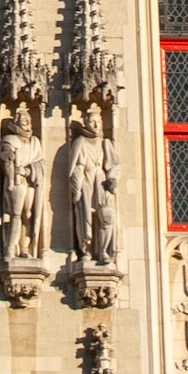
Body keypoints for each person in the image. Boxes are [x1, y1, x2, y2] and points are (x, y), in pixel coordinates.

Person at [69, 104, 119, 264]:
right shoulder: (80, 142)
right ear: (86, 123)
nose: (96, 125)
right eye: (92, 122)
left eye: (99, 121)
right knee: (85, 219)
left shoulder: (105, 143)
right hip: (87, 182)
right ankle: (86, 250)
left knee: (107, 216)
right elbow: (77, 166)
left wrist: (112, 179)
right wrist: (77, 187)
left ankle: (103, 251)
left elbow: (114, 165)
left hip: (102, 182)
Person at [0, 103, 46, 261]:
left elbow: (41, 163)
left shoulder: (35, 142)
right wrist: (7, 156)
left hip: (29, 180)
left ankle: (25, 247)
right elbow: (5, 153)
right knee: (16, 213)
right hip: (17, 180)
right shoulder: (10, 139)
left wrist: (29, 170)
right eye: (22, 119)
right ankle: (11, 248)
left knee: (28, 213)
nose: (25, 121)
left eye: (27, 119)